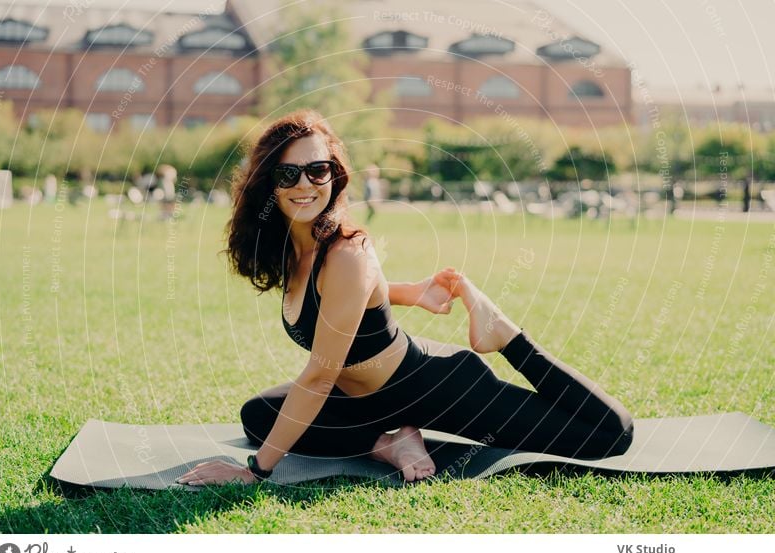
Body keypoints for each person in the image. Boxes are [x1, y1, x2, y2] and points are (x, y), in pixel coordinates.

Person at [176, 110, 634, 487]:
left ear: (334, 175)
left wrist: (254, 472)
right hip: (368, 403)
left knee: (607, 436)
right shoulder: (294, 249)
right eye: (287, 173)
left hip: (436, 386)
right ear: (267, 184)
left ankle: (503, 333)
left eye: (318, 170)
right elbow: (339, 306)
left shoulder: (346, 252)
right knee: (259, 416)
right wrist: (407, 293)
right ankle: (388, 442)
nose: (305, 184)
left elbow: (318, 377)